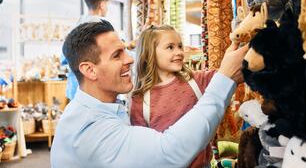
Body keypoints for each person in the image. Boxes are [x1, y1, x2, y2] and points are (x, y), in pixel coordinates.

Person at [51, 21, 248, 167]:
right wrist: (225, 78)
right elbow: (168, 153)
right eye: (117, 55)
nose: (129, 59)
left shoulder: (96, 109)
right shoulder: (90, 129)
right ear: (90, 70)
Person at [130, 25, 215, 167]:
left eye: (180, 46)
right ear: (149, 53)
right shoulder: (140, 101)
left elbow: (228, 73)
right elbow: (142, 149)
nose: (179, 52)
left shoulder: (196, 80)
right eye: (170, 47)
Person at [61, 0, 114, 101]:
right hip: (94, 93)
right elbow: (112, 56)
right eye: (107, 5)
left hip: (75, 91)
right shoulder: (101, 26)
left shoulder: (76, 26)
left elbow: (64, 58)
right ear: (102, 5)